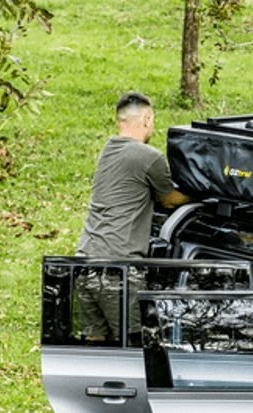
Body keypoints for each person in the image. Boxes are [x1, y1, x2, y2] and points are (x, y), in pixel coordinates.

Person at [76, 91, 190, 341]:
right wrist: (206, 194)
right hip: (118, 271)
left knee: (95, 347)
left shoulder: (108, 150)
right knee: (133, 347)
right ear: (147, 119)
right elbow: (170, 200)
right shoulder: (148, 157)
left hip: (84, 264)